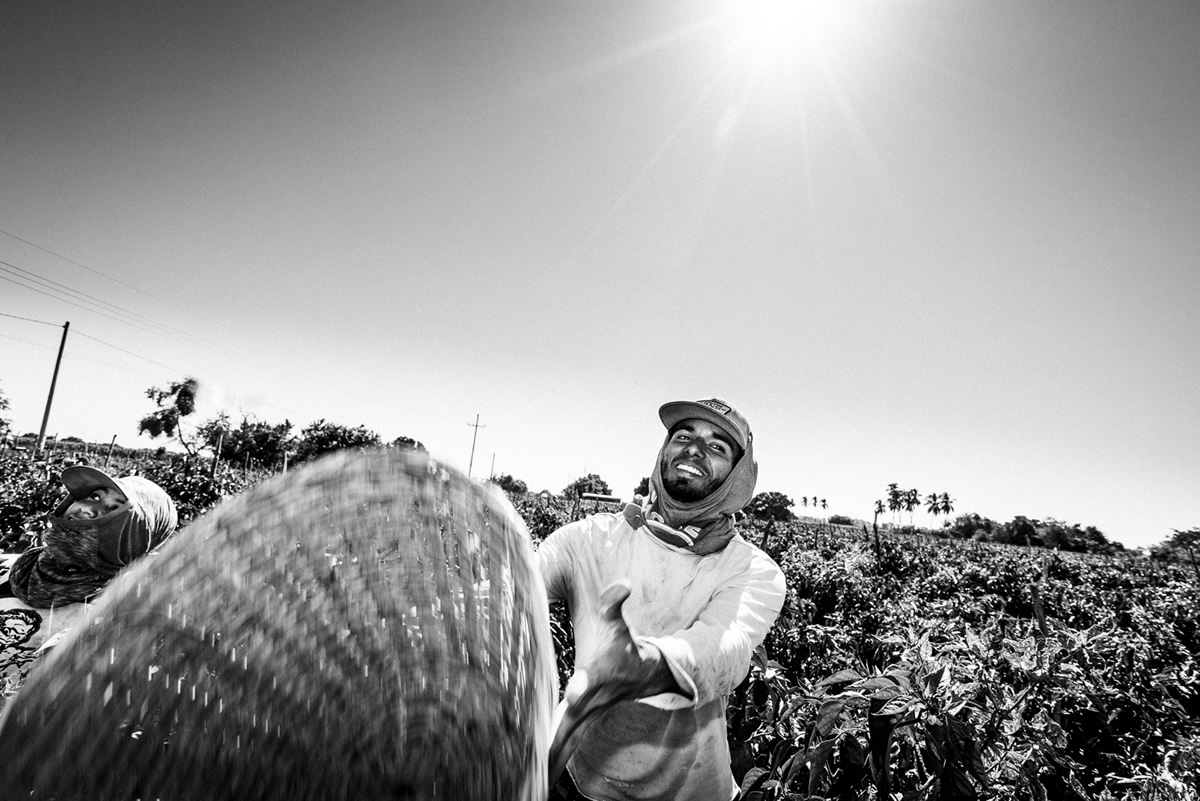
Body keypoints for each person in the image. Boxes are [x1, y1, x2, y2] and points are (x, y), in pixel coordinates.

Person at [539, 397, 787, 801]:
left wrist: (652, 664)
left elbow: (725, 648)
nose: (694, 448)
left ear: (738, 478)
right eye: (684, 435)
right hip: (580, 781)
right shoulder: (588, 540)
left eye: (717, 446)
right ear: (663, 452)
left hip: (692, 790)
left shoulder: (750, 569)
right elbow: (515, 593)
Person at [1, 465, 177, 708]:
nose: (88, 509)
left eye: (115, 509)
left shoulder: (121, 616)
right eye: (94, 496)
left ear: (137, 538)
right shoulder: (7, 568)